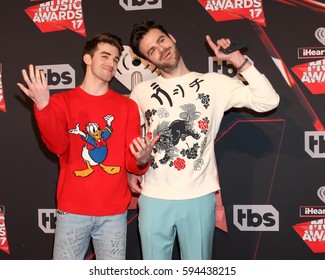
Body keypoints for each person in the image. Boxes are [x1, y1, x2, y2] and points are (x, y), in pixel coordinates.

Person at [128, 20, 280, 260]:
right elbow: (128, 138)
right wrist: (132, 168)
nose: (161, 49)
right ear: (149, 61)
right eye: (152, 50)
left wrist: (238, 61)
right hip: (154, 198)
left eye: (161, 40)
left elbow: (268, 101)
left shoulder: (214, 83)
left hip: (199, 198)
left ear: (172, 37)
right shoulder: (141, 92)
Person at [17, 33, 158, 260]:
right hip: (72, 211)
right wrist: (44, 107)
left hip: (113, 213)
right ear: (87, 59)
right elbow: (57, 146)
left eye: (115, 59)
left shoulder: (127, 106)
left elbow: (131, 161)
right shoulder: (62, 102)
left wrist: (142, 159)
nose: (111, 63)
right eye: (105, 56)